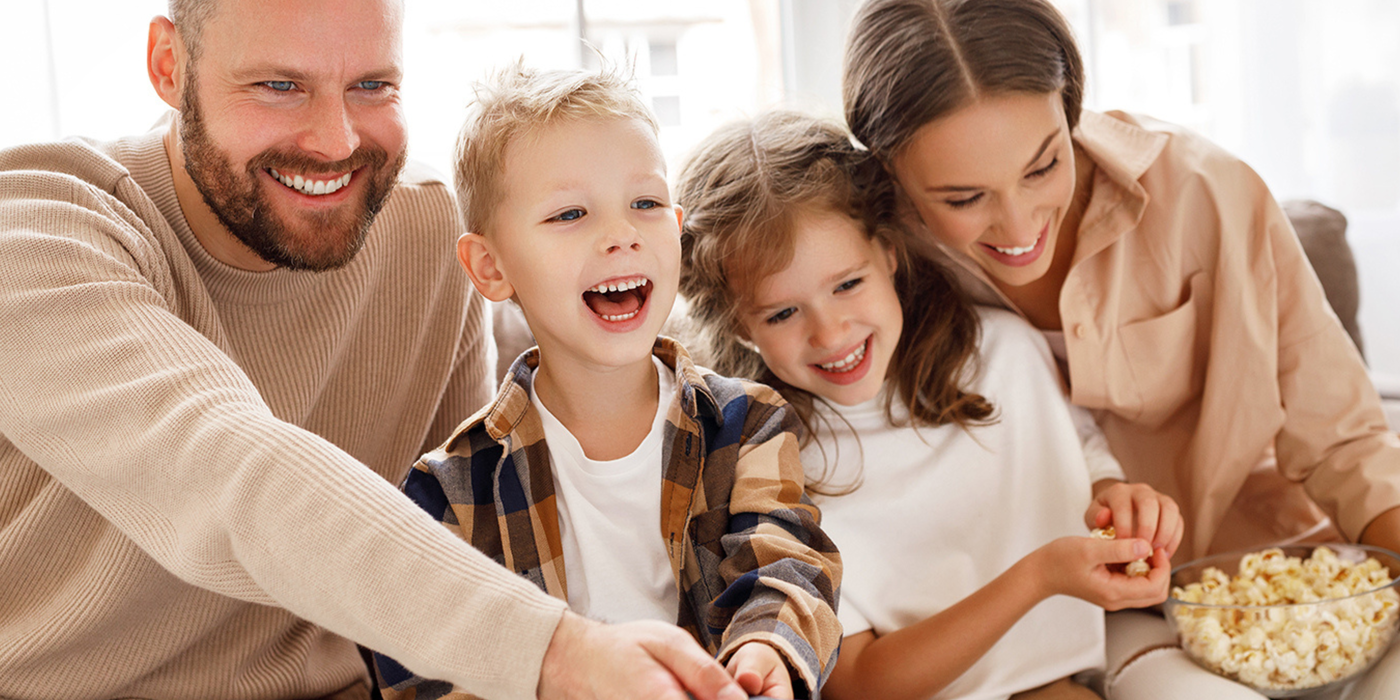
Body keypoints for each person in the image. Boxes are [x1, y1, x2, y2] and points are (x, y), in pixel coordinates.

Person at [0, 1, 756, 699]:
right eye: (277, 85)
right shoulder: (37, 226)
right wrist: (557, 655)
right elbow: (227, 470)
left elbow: (457, 528)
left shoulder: (426, 234)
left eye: (371, 85)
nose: (337, 142)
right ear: (170, 65)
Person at [839, 0, 1400, 697]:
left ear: (1071, 108)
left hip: (1257, 580)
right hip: (1042, 626)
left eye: (1044, 167)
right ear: (890, 173)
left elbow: (1345, 441)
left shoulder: (1208, 195)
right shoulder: (865, 271)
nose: (1018, 226)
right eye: (963, 198)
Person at [675, 109, 1182, 700]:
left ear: (889, 254)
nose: (831, 331)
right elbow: (861, 683)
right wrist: (1040, 578)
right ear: (739, 325)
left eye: (847, 284)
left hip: (1068, 676)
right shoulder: (766, 459)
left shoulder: (1003, 353)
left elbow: (1082, 458)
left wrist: (1118, 501)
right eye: (782, 313)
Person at [370, 68, 843, 700]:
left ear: (675, 227)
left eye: (645, 204)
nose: (621, 234)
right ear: (490, 267)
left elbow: (786, 564)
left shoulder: (749, 424)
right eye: (570, 213)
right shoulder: (450, 488)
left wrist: (763, 654)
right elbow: (421, 663)